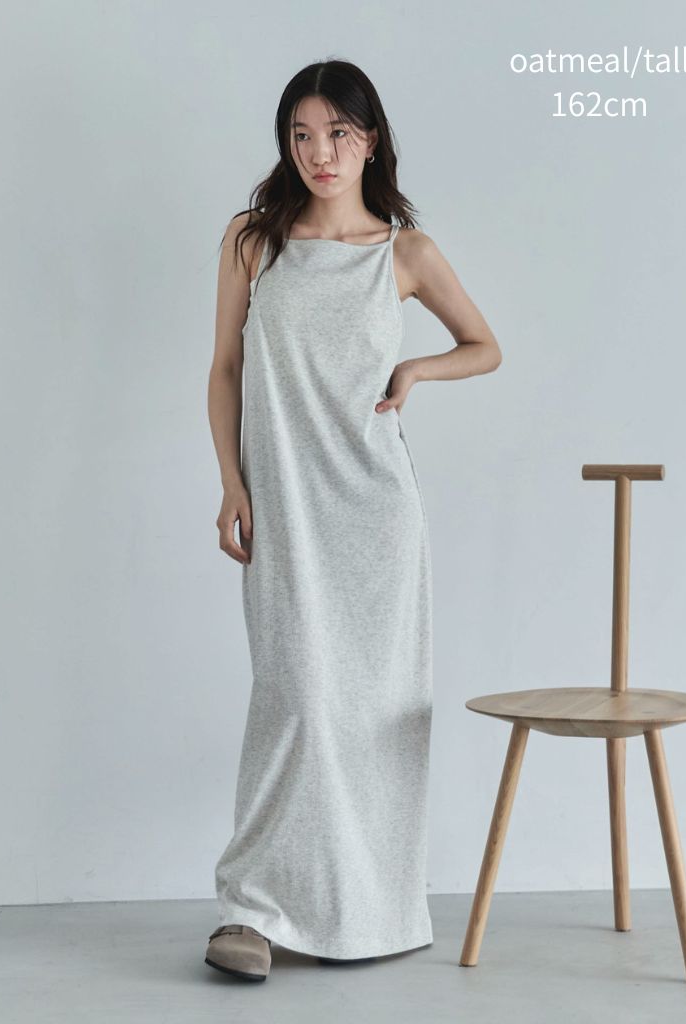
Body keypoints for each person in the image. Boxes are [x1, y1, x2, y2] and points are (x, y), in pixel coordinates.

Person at [205, 58, 501, 982]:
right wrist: (231, 482)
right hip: (285, 509)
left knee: (375, 716)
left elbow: (485, 347)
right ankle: (254, 911)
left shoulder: (404, 254)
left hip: (377, 515)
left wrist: (417, 371)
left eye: (337, 133)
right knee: (294, 702)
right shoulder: (254, 240)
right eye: (301, 135)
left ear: (370, 140)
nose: (319, 152)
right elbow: (224, 369)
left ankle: (370, 910)